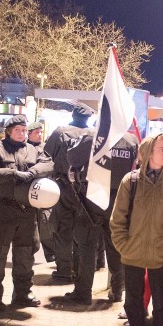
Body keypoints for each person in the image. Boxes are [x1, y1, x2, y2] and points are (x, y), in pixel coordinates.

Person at [111, 134, 163, 326]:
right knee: (133, 301)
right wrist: (123, 245)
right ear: (148, 151)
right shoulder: (130, 182)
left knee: (161, 304)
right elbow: (118, 218)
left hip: (161, 255)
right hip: (132, 253)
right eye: (161, 148)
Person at [0, 115, 53, 311]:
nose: (22, 133)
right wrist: (12, 174)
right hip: (3, 210)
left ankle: (22, 294)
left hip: (27, 212)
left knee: (25, 255)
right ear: (9, 131)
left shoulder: (33, 149)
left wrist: (32, 172)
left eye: (24, 130)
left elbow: (48, 164)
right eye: (18, 130)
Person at [65, 131, 138, 305]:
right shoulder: (130, 140)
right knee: (115, 245)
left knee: (86, 245)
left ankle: (83, 292)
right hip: (119, 198)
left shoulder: (93, 135)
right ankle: (117, 290)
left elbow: (73, 159)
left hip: (93, 196)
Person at [44, 104, 95, 282]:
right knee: (83, 230)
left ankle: (64, 270)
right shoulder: (94, 134)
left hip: (63, 186)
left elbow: (47, 153)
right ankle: (79, 270)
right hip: (86, 188)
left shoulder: (60, 131)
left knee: (62, 228)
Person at [27, 121, 55, 263]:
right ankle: (27, 256)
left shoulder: (46, 148)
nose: (39, 135)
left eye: (40, 132)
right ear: (29, 133)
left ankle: (51, 256)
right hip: (28, 194)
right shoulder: (24, 148)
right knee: (29, 228)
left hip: (43, 193)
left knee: (46, 225)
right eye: (36, 132)